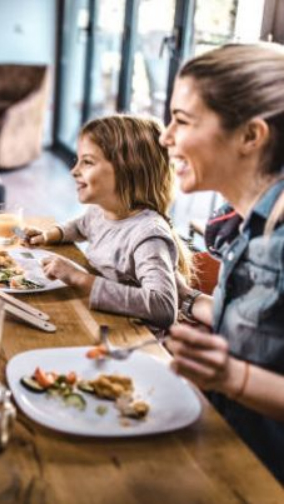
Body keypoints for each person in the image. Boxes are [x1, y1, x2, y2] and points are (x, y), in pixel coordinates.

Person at [160, 43, 284, 483]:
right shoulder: (245, 224)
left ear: (250, 136)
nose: (165, 136)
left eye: (183, 120)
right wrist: (189, 300)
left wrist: (231, 376)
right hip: (227, 447)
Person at [22, 115, 192, 329]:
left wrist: (79, 278)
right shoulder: (100, 211)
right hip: (98, 319)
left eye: (88, 162)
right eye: (78, 161)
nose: (74, 171)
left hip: (129, 339)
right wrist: (49, 235)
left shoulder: (148, 235)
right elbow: (80, 226)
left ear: (128, 170)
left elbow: (163, 307)